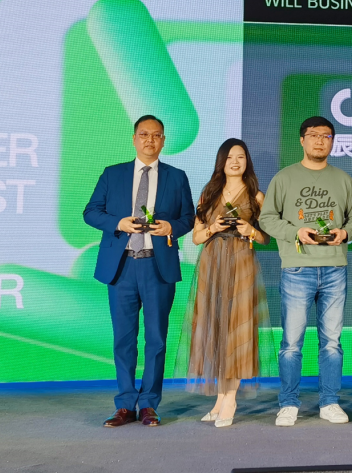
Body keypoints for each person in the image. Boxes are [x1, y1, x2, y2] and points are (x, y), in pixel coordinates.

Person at [83, 115, 195, 428]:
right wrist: (117, 223)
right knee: (124, 339)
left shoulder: (176, 177)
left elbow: (189, 218)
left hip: (157, 266)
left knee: (156, 339)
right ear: (134, 139)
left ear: (163, 141)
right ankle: (124, 404)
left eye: (156, 135)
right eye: (144, 134)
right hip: (121, 266)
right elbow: (91, 212)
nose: (150, 140)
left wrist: (171, 227)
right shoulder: (113, 174)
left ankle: (148, 404)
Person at [258, 116, 352, 427]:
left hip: (334, 267)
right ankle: (289, 403)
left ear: (333, 142)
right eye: (314, 135)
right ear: (302, 140)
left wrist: (345, 232)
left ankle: (329, 401)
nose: (320, 140)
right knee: (292, 342)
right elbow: (267, 218)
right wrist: (295, 232)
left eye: (326, 136)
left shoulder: (343, 179)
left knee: (332, 342)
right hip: (297, 267)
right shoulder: (284, 178)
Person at [175, 138, 271, 428]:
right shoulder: (209, 193)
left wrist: (250, 230)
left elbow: (266, 238)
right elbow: (196, 237)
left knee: (238, 330)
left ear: (247, 161)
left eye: (240, 156)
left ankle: (230, 399)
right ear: (221, 161)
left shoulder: (256, 196)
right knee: (216, 329)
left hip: (241, 263)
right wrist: (213, 228)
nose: (235, 161)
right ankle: (219, 398)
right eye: (229, 157)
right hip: (212, 264)